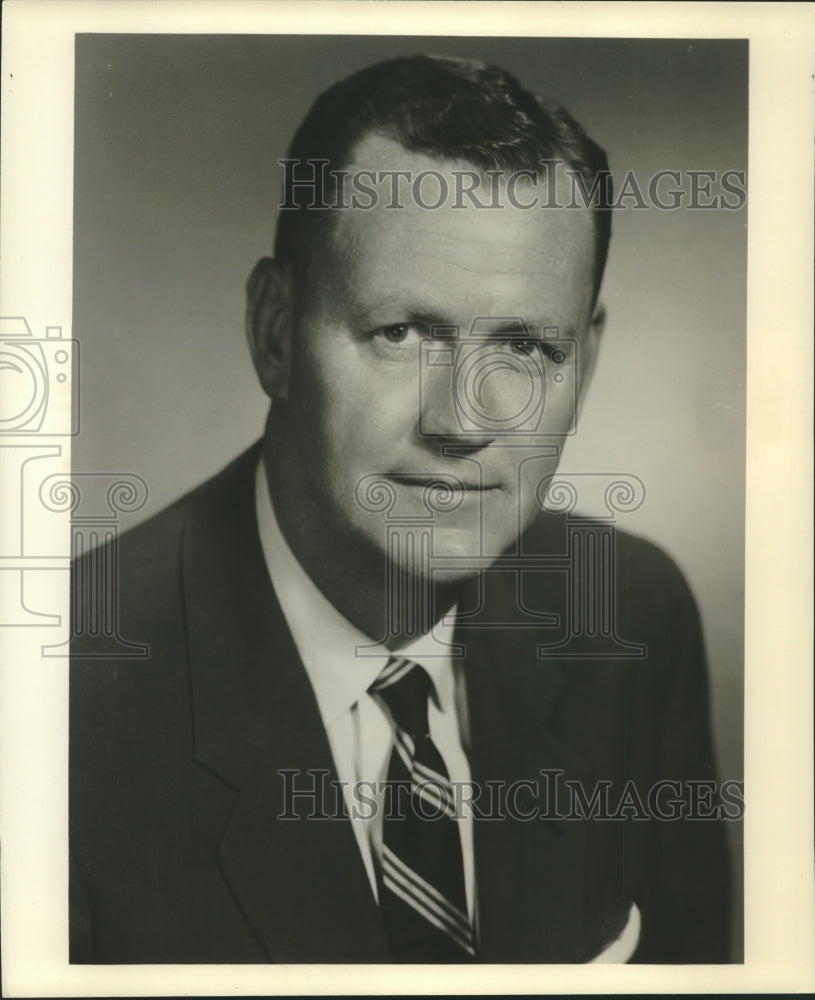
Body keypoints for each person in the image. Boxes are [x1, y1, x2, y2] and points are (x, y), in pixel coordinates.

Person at [70, 54, 733, 964]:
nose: (462, 422)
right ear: (274, 334)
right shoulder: (57, 697)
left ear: (584, 364)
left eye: (526, 346)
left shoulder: (631, 619)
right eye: (401, 333)